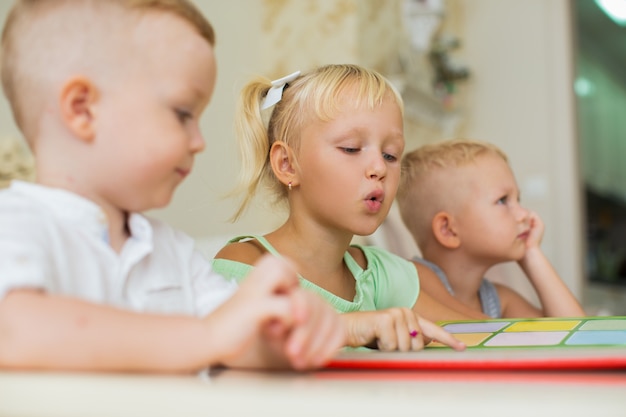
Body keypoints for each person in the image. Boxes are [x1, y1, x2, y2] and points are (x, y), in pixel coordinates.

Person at [0, 0, 347, 373]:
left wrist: (286, 329)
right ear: (83, 110)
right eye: (183, 113)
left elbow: (237, 342)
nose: (199, 141)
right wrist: (208, 336)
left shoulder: (173, 254)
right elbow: (13, 331)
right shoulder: (16, 224)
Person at [212, 64, 474, 353]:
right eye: (351, 148)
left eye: (391, 155)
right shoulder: (246, 267)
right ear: (287, 165)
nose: (379, 168)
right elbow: (230, 351)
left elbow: (480, 335)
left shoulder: (380, 274)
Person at [396, 139, 586, 318]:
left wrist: (531, 254)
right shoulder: (414, 279)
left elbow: (575, 334)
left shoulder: (497, 300)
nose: (524, 214)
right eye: (503, 200)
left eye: (517, 199)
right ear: (448, 229)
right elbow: (475, 331)